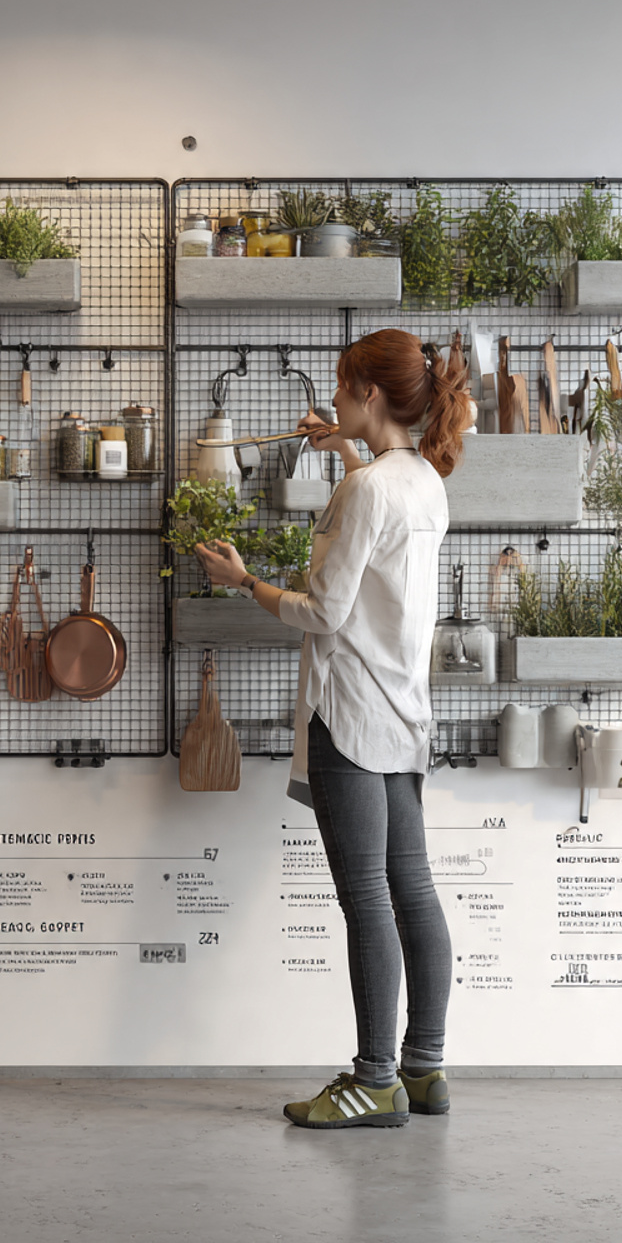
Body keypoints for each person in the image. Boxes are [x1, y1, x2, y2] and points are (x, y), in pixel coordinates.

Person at [194, 328, 470, 1130]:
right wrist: (347, 451)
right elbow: (378, 542)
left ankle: (373, 1079)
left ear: (369, 395)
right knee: (412, 890)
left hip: (349, 715)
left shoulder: (368, 492)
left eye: (344, 390)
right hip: (404, 713)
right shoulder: (423, 482)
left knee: (366, 902)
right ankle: (424, 1070)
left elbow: (324, 610)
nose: (336, 399)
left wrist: (245, 582)